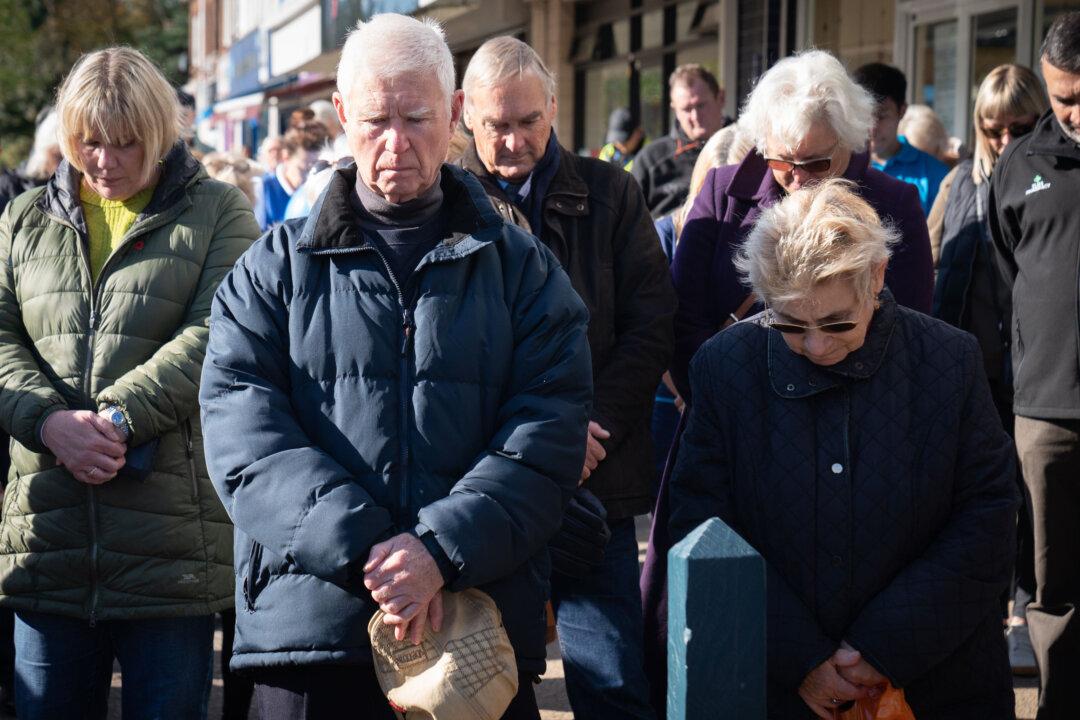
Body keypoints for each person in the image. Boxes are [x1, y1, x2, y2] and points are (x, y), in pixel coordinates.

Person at [199, 14, 592, 719]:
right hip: (309, 635)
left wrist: (439, 551)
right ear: (344, 115)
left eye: (417, 117)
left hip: (472, 633)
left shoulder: (524, 271)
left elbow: (549, 428)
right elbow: (243, 434)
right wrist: (374, 552)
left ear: (455, 114)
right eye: (376, 119)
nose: (397, 142)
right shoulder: (270, 270)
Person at [669, 179, 1019, 719]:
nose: (815, 345)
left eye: (836, 322)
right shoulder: (723, 367)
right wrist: (802, 659)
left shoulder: (950, 360)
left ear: (876, 277)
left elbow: (988, 518)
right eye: (788, 323)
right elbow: (701, 525)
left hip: (939, 681)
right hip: (774, 687)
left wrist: (881, 649)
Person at [0, 46, 259, 719]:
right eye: (88, 142)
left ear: (160, 133)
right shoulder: (23, 220)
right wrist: (48, 423)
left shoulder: (219, 212)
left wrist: (115, 420)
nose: (105, 161)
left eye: (125, 144)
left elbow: (218, 336)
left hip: (169, 552)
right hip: (49, 544)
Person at [457, 37, 675, 720]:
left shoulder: (612, 191)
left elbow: (650, 324)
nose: (515, 139)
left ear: (554, 108)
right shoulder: (444, 198)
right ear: (466, 114)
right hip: (485, 485)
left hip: (595, 482)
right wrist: (532, 444)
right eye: (498, 124)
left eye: (530, 121)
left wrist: (589, 431)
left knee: (611, 680)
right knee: (488, 688)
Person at [670, 49, 934, 397]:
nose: (797, 178)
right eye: (782, 162)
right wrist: (718, 401)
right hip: (736, 406)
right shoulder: (723, 191)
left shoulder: (893, 202)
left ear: (848, 138)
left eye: (815, 163)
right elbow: (682, 317)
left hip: (852, 416)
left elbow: (907, 327)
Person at [931, 63, 1046, 679]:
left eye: (1020, 127)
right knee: (971, 498)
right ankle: (985, 616)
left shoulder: (1051, 182)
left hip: (1033, 375)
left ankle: (1025, 615)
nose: (1006, 142)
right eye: (992, 129)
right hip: (967, 372)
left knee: (1030, 504)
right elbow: (929, 267)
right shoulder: (958, 184)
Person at [989, 12, 1080, 719]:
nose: (1074, 112)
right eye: (1062, 98)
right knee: (1054, 590)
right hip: (1046, 415)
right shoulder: (1023, 165)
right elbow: (1002, 281)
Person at [632, 64, 731, 218]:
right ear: (674, 110)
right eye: (686, 109)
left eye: (701, 105)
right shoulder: (650, 161)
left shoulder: (746, 148)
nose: (695, 116)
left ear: (721, 98)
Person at [853, 62, 950, 215]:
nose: (872, 127)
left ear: (902, 111)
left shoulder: (934, 174)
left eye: (881, 116)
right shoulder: (841, 166)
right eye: (864, 115)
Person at [257, 120, 328, 229]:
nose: (309, 178)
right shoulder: (263, 187)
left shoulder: (321, 186)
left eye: (315, 168)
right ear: (285, 157)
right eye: (303, 170)